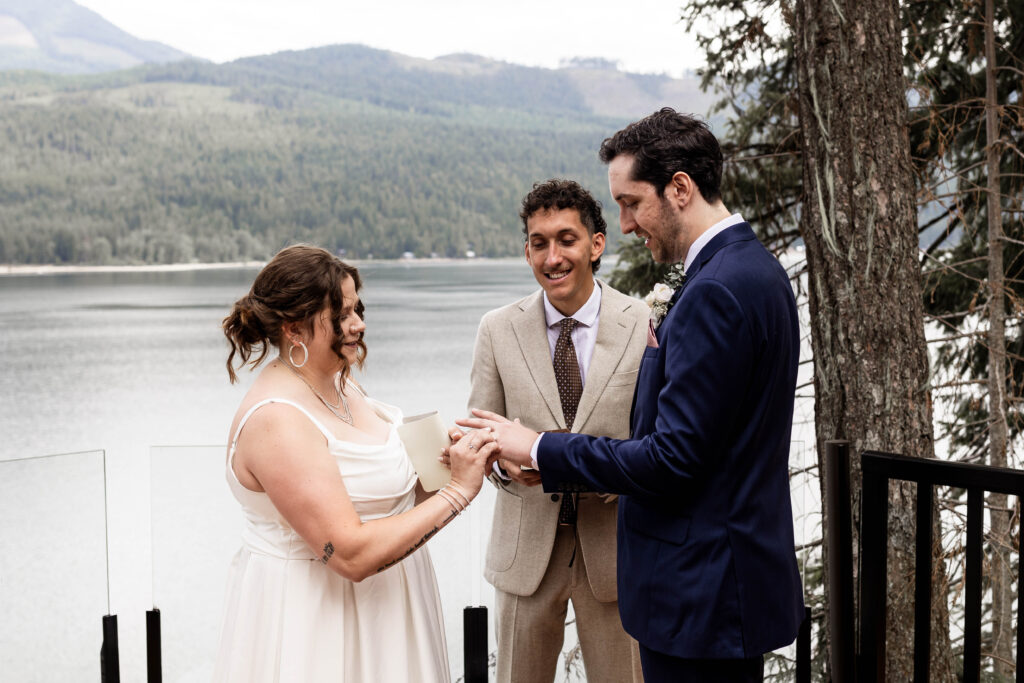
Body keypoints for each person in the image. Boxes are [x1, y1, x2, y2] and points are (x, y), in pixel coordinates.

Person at [461, 108, 805, 682]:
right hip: (725, 579)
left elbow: (674, 458)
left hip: (700, 588)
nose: (624, 224)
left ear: (679, 189)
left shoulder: (714, 291)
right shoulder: (756, 270)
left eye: (630, 202)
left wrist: (543, 449)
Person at [213, 244, 496, 683]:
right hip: (317, 624)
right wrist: (459, 493)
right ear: (293, 329)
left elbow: (389, 497)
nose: (358, 324)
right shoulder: (277, 420)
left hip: (393, 613)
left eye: (357, 310)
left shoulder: (342, 386)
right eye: (341, 315)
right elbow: (348, 554)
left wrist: (452, 463)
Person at [467, 179, 647, 682]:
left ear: (596, 244)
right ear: (526, 251)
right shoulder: (497, 329)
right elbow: (481, 432)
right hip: (524, 554)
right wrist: (504, 468)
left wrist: (582, 473)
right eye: (539, 242)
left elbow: (652, 444)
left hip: (614, 553)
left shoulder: (644, 323)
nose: (552, 257)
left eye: (566, 239)